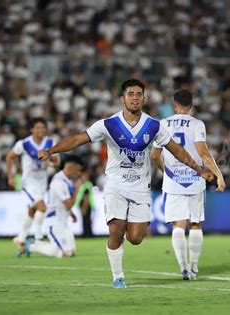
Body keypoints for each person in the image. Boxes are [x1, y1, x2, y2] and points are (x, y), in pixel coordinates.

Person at [38, 79, 214, 289]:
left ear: (144, 99)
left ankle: (128, 247)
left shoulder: (153, 125)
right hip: (115, 185)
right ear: (122, 98)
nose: (135, 98)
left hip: (140, 188)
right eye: (130, 94)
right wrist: (51, 151)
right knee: (116, 229)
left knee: (136, 238)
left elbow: (176, 150)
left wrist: (198, 169)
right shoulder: (108, 124)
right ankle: (118, 275)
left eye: (139, 94)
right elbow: (78, 139)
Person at [151, 89, 225, 280]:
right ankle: (193, 267)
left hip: (173, 180)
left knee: (178, 224)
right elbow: (203, 153)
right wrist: (218, 175)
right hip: (195, 179)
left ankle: (183, 267)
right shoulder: (197, 124)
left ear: (174, 105)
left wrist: (165, 171)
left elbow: (155, 155)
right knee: (195, 223)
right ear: (191, 106)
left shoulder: (163, 124)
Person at [6, 118, 59, 254]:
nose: (40, 130)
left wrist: (50, 158)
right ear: (31, 130)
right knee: (42, 206)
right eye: (37, 128)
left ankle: (20, 238)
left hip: (42, 181)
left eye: (42, 127)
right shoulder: (23, 143)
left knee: (33, 210)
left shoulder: (50, 142)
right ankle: (38, 237)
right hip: (28, 182)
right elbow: (9, 157)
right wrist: (10, 177)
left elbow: (57, 161)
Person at [24, 155, 83, 258]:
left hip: (63, 222)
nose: (78, 173)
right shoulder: (59, 182)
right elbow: (68, 203)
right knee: (66, 254)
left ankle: (38, 245)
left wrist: (71, 213)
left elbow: (63, 202)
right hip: (54, 222)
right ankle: (32, 246)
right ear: (70, 168)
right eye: (77, 170)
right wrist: (77, 190)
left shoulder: (68, 180)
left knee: (72, 252)